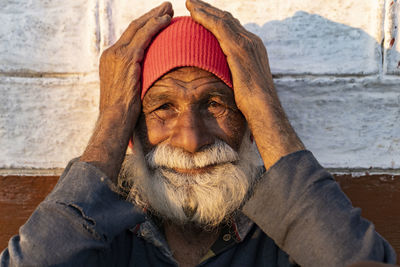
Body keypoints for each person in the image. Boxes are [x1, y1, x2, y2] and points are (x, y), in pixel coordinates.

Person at [1, 0, 397, 266]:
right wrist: (110, 120)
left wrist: (265, 106)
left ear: (247, 119)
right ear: (133, 126)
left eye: (216, 104)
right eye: (162, 108)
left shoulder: (278, 235)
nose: (191, 139)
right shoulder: (106, 232)